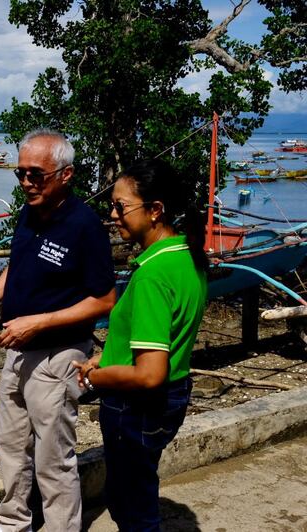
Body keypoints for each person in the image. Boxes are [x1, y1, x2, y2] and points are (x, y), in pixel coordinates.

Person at [0, 129, 116, 532]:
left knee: (54, 457)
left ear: (65, 175)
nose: (27, 182)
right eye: (21, 174)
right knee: (11, 446)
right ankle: (14, 521)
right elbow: (19, 264)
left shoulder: (84, 226)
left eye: (37, 174)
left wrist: (39, 322)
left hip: (59, 353)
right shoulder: (29, 211)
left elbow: (105, 301)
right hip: (17, 350)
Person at [73, 159, 208, 531]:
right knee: (136, 489)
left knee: (132, 505)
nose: (113, 214)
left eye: (121, 206)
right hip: (173, 394)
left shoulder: (152, 275)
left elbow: (149, 374)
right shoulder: (186, 258)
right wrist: (109, 354)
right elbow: (164, 337)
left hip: (137, 406)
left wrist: (97, 378)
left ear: (155, 211)